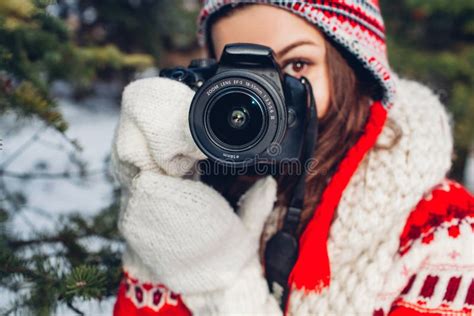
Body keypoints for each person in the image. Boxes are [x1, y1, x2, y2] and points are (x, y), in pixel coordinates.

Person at [110, 1, 474, 315]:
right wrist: (161, 191)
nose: (262, 97)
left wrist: (223, 282)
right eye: (242, 73)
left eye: (297, 65)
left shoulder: (444, 235)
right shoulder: (216, 188)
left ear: (354, 69)